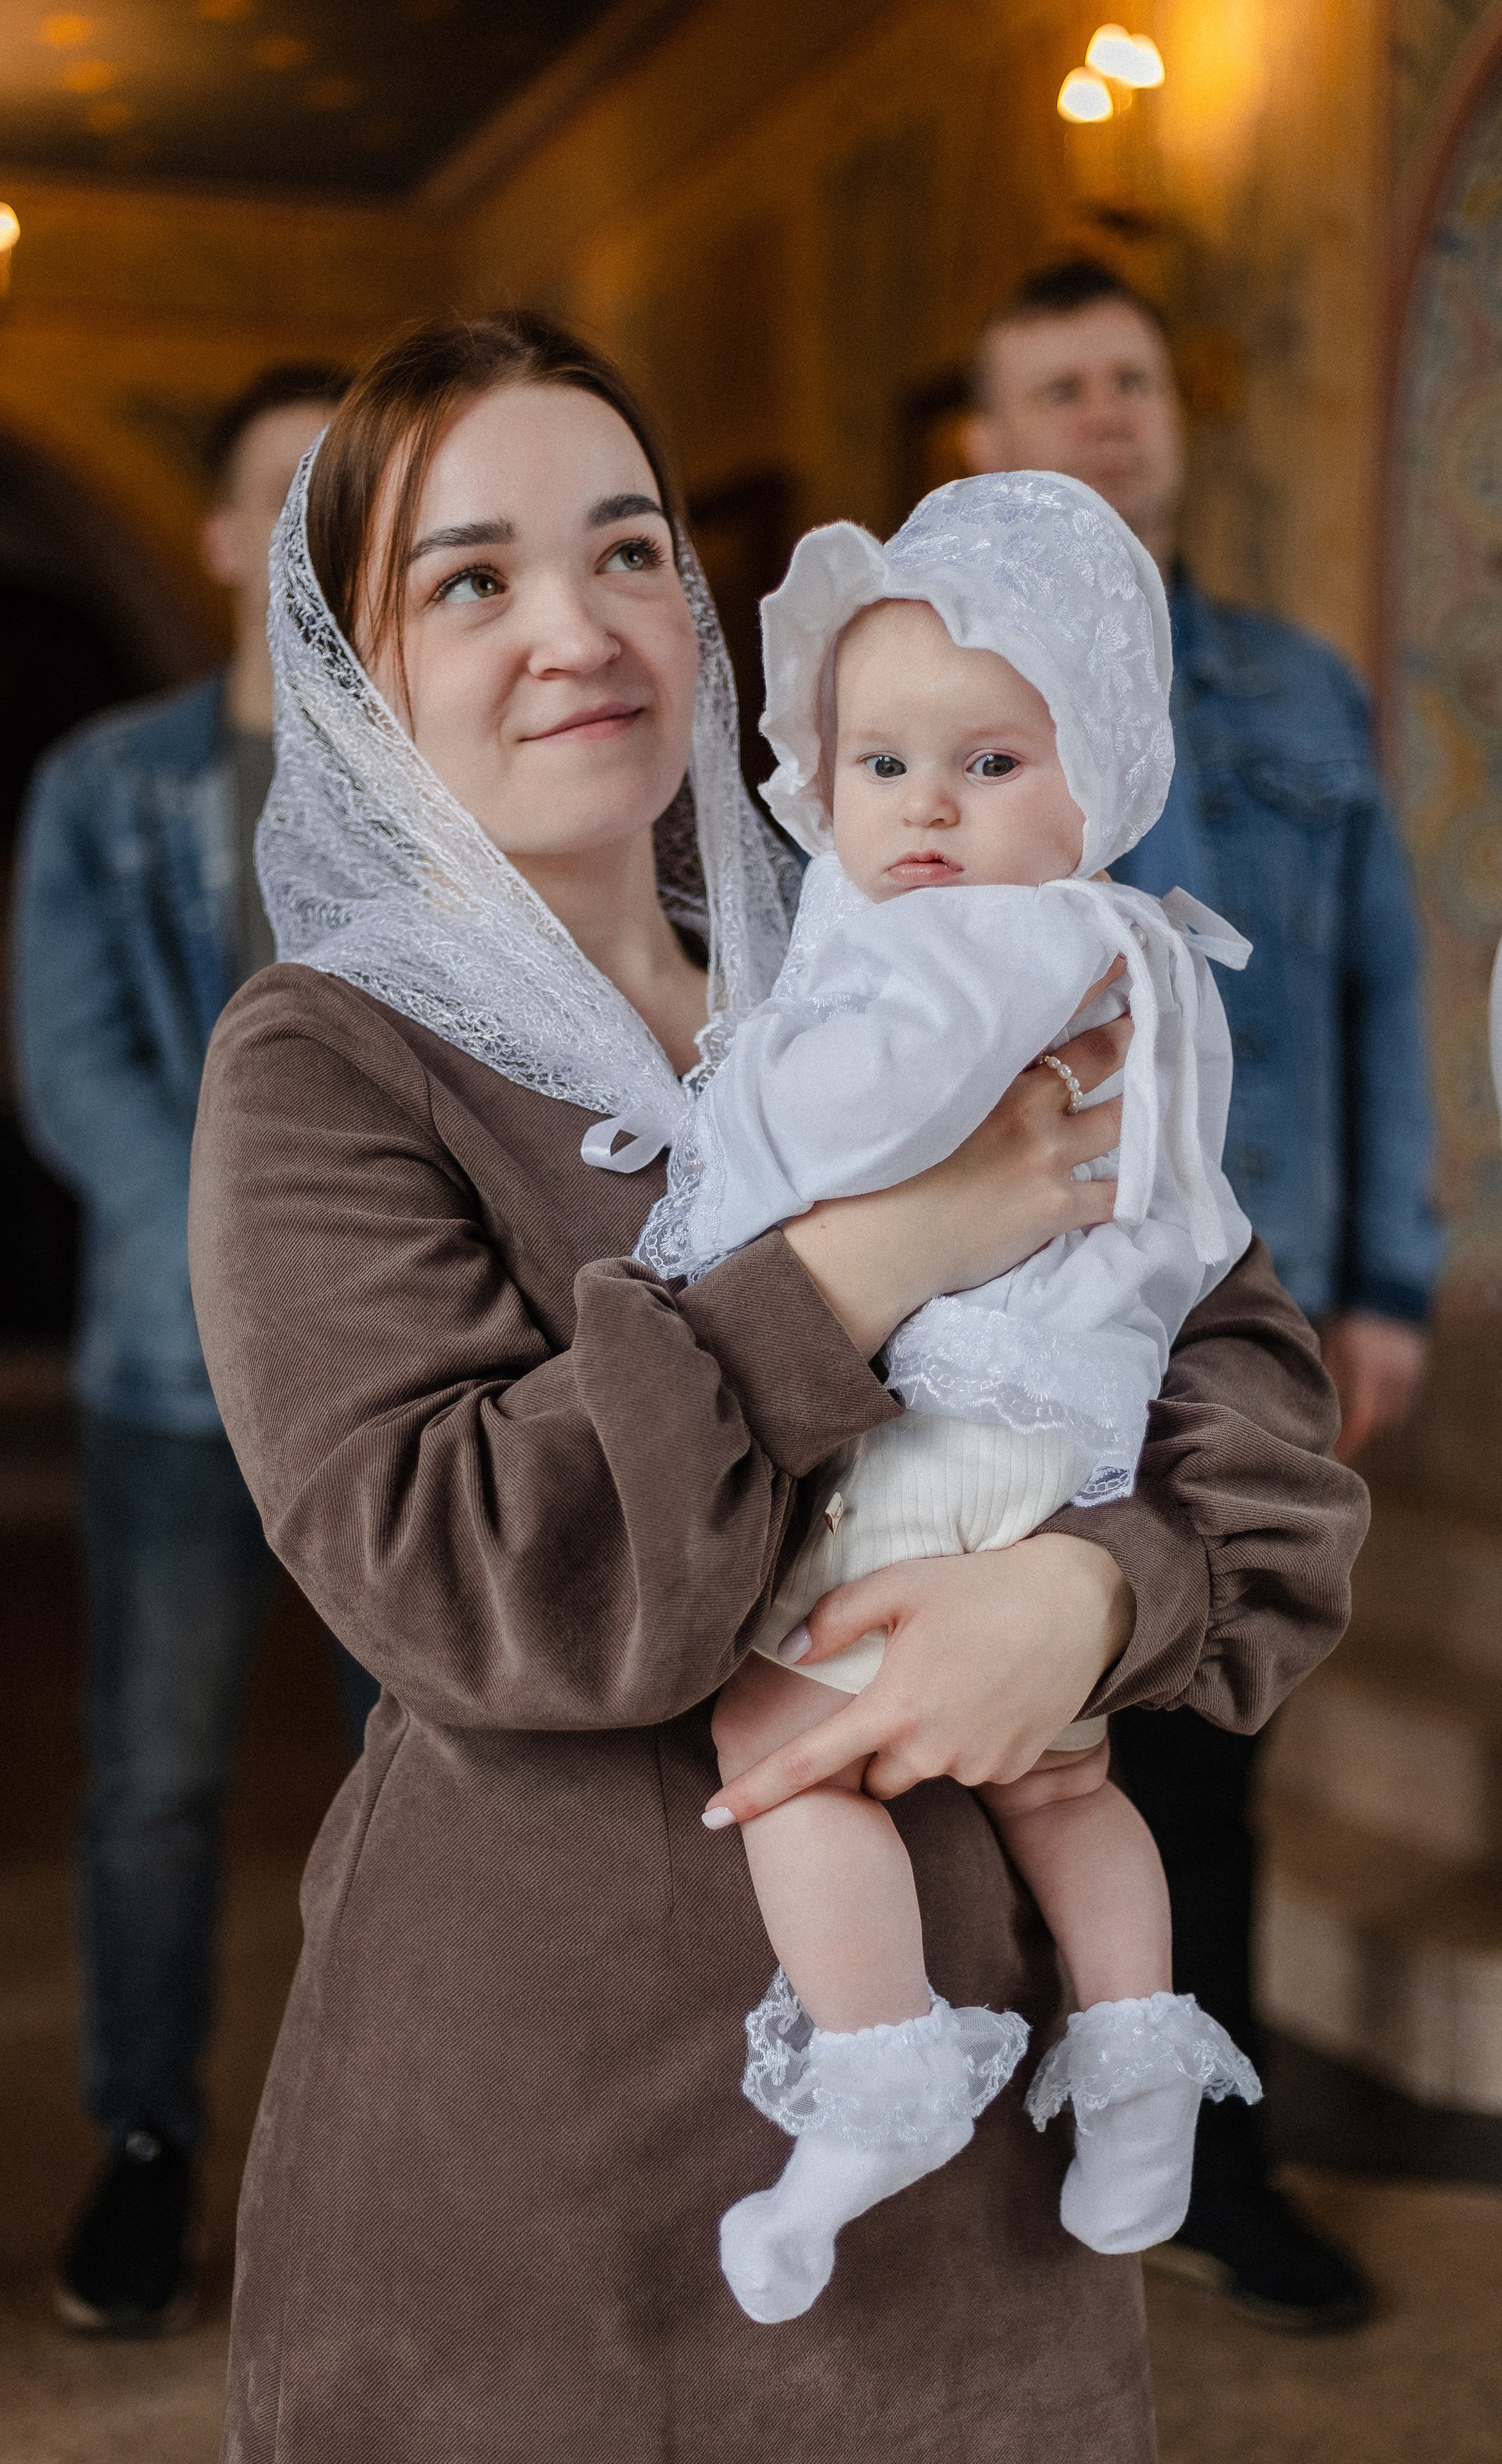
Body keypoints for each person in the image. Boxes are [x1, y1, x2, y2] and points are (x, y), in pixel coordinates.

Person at [187, 308, 1366, 2463]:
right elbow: (459, 1567)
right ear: (361, 670)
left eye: (628, 549)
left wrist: (1089, 1597)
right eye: (472, 578)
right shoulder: (326, 1060)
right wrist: (877, 1255)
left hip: (975, 2135)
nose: (578, 628)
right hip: (546, 2137)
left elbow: (1244, 1393)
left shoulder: (913, 931)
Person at [631, 474, 1261, 2327]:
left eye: (989, 764)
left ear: (1096, 783)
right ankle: (1137, 2062)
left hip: (948, 1425)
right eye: (882, 764)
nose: (921, 810)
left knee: (780, 1733)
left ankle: (879, 2065)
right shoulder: (1120, 942)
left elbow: (856, 1124)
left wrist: (737, 1115)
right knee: (1062, 1778)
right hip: (1056, 1443)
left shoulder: (991, 943)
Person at [962, 256, 1443, 2329]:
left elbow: (1381, 989)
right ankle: (991, 2167)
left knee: (1215, 1746)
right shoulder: (938, 693)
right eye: (1059, 384)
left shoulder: (1301, 690)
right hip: (999, 1312)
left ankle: (1211, 2170)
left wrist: (1388, 1282)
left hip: (1251, 1314)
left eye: (1132, 379)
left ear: (1175, 419)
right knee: (1003, 1741)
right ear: (991, 441)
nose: (1106, 412)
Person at [12, 362, 378, 2337]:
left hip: (401, 1383)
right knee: (154, 1781)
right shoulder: (107, 781)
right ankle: (144, 2147)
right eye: (285, 487)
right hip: (172, 1379)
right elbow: (80, 1074)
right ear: (229, 536)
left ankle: (392, 2153)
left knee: (424, 1770)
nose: (318, 519)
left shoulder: (435, 780)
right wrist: (262, 1274)